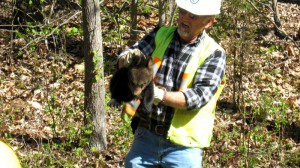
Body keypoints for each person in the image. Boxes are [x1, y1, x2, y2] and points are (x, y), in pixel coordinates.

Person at [117, 0, 226, 167]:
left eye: (193, 16)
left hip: (184, 147)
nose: (184, 19)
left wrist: (158, 95)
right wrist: (127, 59)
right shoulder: (161, 34)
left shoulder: (213, 53)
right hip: (146, 135)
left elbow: (198, 97)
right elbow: (131, 54)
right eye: (182, 12)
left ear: (209, 21)